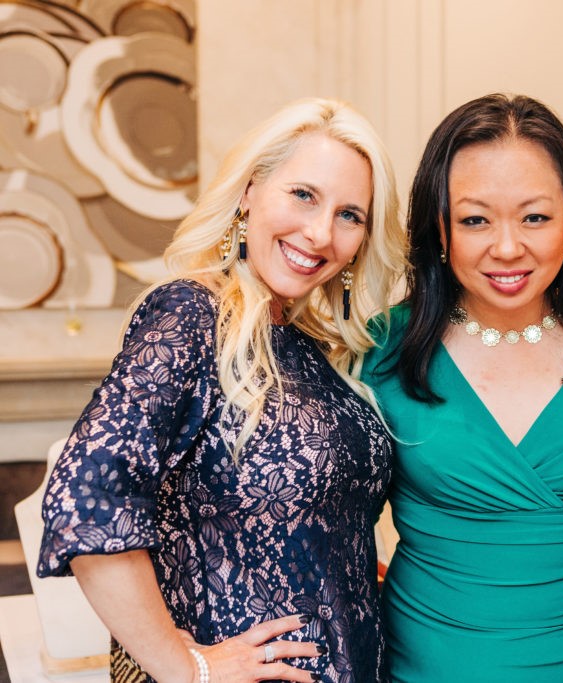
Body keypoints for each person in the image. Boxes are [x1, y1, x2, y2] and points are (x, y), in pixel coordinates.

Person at [36, 97, 407, 683]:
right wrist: (188, 668)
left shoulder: (312, 345)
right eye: (303, 195)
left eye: (349, 215)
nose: (319, 232)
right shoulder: (190, 313)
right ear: (249, 192)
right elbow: (87, 499)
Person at [361, 93, 563, 681]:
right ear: (439, 227)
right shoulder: (381, 349)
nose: (507, 248)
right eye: (475, 219)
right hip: (422, 667)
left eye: (535, 216)